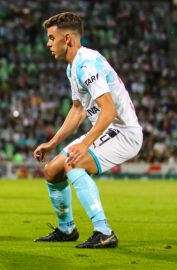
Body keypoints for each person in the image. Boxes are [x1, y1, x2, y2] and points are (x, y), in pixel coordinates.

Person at [33, 12, 142, 249]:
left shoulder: (86, 64)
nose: (48, 43)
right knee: (52, 171)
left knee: (74, 162)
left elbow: (109, 111)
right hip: (105, 129)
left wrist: (84, 144)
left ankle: (104, 232)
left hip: (123, 132)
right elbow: (78, 110)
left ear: (68, 38)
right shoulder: (73, 67)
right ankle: (66, 229)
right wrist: (53, 143)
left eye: (52, 38)